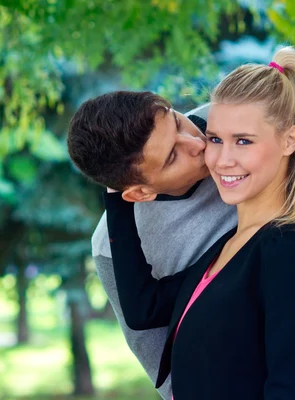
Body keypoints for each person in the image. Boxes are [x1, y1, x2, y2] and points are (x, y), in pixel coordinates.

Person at [105, 46, 295, 400]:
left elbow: (288, 388)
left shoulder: (287, 254)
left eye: (243, 141)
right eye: (215, 139)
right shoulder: (229, 247)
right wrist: (118, 187)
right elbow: (142, 308)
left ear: (290, 140)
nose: (222, 159)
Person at [67, 91, 237, 400]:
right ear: (139, 193)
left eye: (177, 121)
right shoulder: (111, 249)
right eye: (172, 156)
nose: (197, 142)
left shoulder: (228, 118)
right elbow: (170, 375)